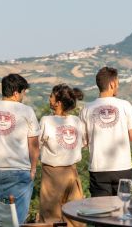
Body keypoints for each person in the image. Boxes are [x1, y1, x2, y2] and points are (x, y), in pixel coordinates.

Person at [0, 73, 40, 226]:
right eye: (23, 92)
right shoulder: (27, 111)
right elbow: (33, 144)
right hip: (19, 172)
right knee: (15, 220)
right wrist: (32, 169)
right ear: (15, 93)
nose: (23, 96)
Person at [79, 67, 132, 197]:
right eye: (117, 83)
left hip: (98, 169)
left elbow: (83, 142)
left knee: (100, 212)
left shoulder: (86, 109)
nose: (117, 86)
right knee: (123, 208)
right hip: (123, 168)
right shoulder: (125, 105)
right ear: (112, 84)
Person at [39, 84, 85, 227]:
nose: (49, 98)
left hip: (52, 173)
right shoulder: (76, 121)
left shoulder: (46, 120)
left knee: (50, 217)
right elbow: (82, 143)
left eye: (51, 96)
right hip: (72, 172)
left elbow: (37, 145)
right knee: (74, 216)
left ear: (58, 103)